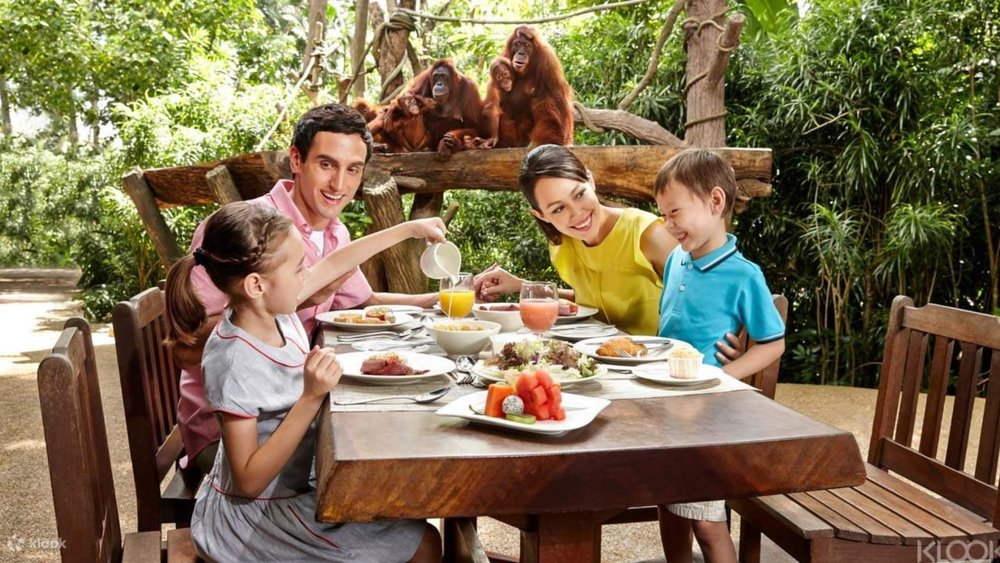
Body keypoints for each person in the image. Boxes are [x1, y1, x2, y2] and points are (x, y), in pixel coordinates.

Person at [165, 201, 444, 561]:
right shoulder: (233, 359)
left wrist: (408, 229)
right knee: (423, 544)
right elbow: (248, 481)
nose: (308, 273)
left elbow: (334, 264)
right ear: (256, 284)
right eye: (299, 267)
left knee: (407, 513)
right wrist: (310, 398)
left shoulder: (274, 311)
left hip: (291, 490)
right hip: (255, 522)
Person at [176, 103, 438, 474]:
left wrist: (439, 300)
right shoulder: (245, 230)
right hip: (229, 436)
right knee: (378, 457)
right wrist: (289, 303)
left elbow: (366, 302)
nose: (340, 185)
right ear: (296, 160)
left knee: (397, 433)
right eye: (326, 164)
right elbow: (186, 351)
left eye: (353, 170)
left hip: (294, 403)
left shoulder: (335, 232)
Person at [652, 149, 786, 563]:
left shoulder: (743, 274)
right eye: (662, 215)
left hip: (707, 418)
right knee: (669, 507)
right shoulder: (677, 258)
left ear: (715, 202)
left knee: (708, 523)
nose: (668, 225)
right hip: (668, 405)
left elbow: (773, 342)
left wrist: (727, 375)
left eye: (675, 212)